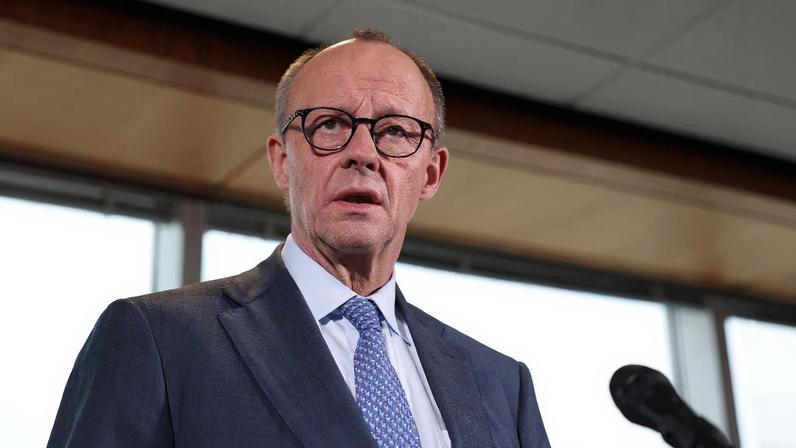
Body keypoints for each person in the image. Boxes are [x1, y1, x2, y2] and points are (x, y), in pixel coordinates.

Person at [48, 29, 550, 448]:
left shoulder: (503, 386)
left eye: (395, 131)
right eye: (329, 125)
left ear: (431, 173)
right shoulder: (158, 340)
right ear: (282, 161)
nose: (363, 153)